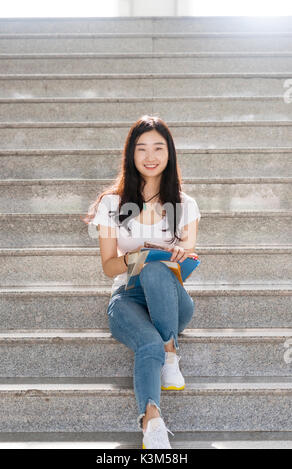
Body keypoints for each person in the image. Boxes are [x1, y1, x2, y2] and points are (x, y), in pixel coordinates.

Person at [83, 115, 201, 449]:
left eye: (158, 148)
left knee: (157, 269)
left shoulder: (185, 205)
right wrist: (140, 255)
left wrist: (172, 256)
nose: (150, 155)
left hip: (173, 299)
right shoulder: (113, 203)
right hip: (128, 297)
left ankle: (170, 349)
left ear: (169, 153)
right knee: (146, 338)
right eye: (142, 148)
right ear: (131, 155)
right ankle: (152, 423)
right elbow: (109, 267)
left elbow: (185, 263)